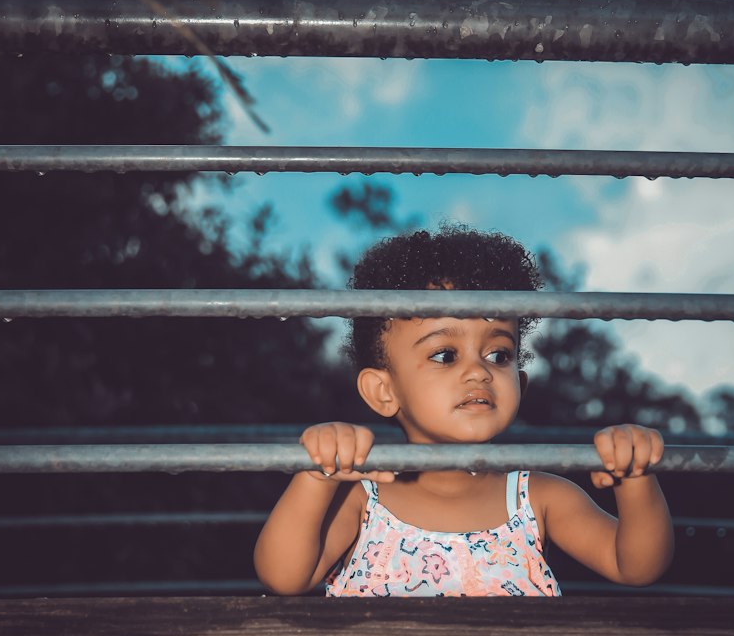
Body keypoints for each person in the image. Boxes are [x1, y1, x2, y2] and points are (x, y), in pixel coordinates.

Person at [254, 225, 674, 596]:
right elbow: (284, 577)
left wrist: (635, 478)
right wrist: (316, 474)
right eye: (445, 355)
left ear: (520, 383)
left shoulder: (539, 497)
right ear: (383, 390)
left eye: (498, 354)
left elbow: (635, 567)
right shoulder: (361, 497)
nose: (479, 372)